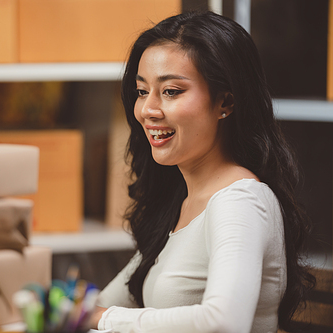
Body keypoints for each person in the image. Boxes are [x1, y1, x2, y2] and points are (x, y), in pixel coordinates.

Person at [89, 11, 315, 333]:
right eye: (142, 91)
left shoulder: (240, 200)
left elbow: (225, 322)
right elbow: (105, 301)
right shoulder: (181, 201)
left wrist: (102, 318)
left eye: (171, 91)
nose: (148, 110)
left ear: (226, 102)